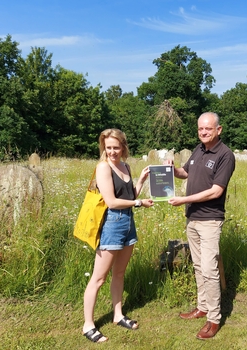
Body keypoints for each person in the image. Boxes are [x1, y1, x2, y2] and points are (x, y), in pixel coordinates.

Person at [166, 112, 235, 340]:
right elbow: (185, 173)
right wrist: (171, 170)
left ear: (219, 129)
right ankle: (202, 306)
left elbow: (217, 191)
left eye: (208, 128)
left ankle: (213, 318)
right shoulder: (199, 149)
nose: (203, 132)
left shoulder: (225, 155)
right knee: (198, 266)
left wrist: (184, 200)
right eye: (200, 129)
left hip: (210, 220)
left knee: (209, 269)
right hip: (192, 218)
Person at [82, 128, 154, 343]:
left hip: (128, 222)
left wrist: (140, 180)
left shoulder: (125, 166)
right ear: (103, 147)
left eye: (116, 147)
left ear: (123, 147)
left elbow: (130, 195)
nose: (112, 151)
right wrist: (139, 203)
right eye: (108, 147)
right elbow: (112, 201)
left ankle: (118, 315)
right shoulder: (103, 167)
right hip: (112, 223)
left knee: (120, 273)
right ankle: (88, 325)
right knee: (99, 278)